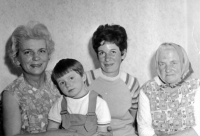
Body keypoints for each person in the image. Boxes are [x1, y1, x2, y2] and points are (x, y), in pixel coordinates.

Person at [2, 21, 85, 136]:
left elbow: (85, 98)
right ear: (16, 58)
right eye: (27, 52)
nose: (36, 57)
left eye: (41, 51)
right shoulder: (11, 94)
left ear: (48, 55)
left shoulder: (58, 78)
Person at [85, 24, 140, 136]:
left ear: (123, 54)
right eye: (102, 53)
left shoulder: (131, 82)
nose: (107, 58)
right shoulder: (86, 79)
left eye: (113, 52)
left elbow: (133, 118)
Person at [137, 42, 200, 136]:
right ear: (157, 66)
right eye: (162, 64)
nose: (168, 69)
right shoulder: (147, 90)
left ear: (183, 63)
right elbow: (143, 129)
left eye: (173, 63)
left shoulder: (196, 86)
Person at [47, 58, 111, 136]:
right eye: (62, 82)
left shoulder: (99, 103)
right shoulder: (60, 103)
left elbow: (102, 132)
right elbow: (51, 130)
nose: (67, 84)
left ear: (83, 76)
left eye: (71, 78)